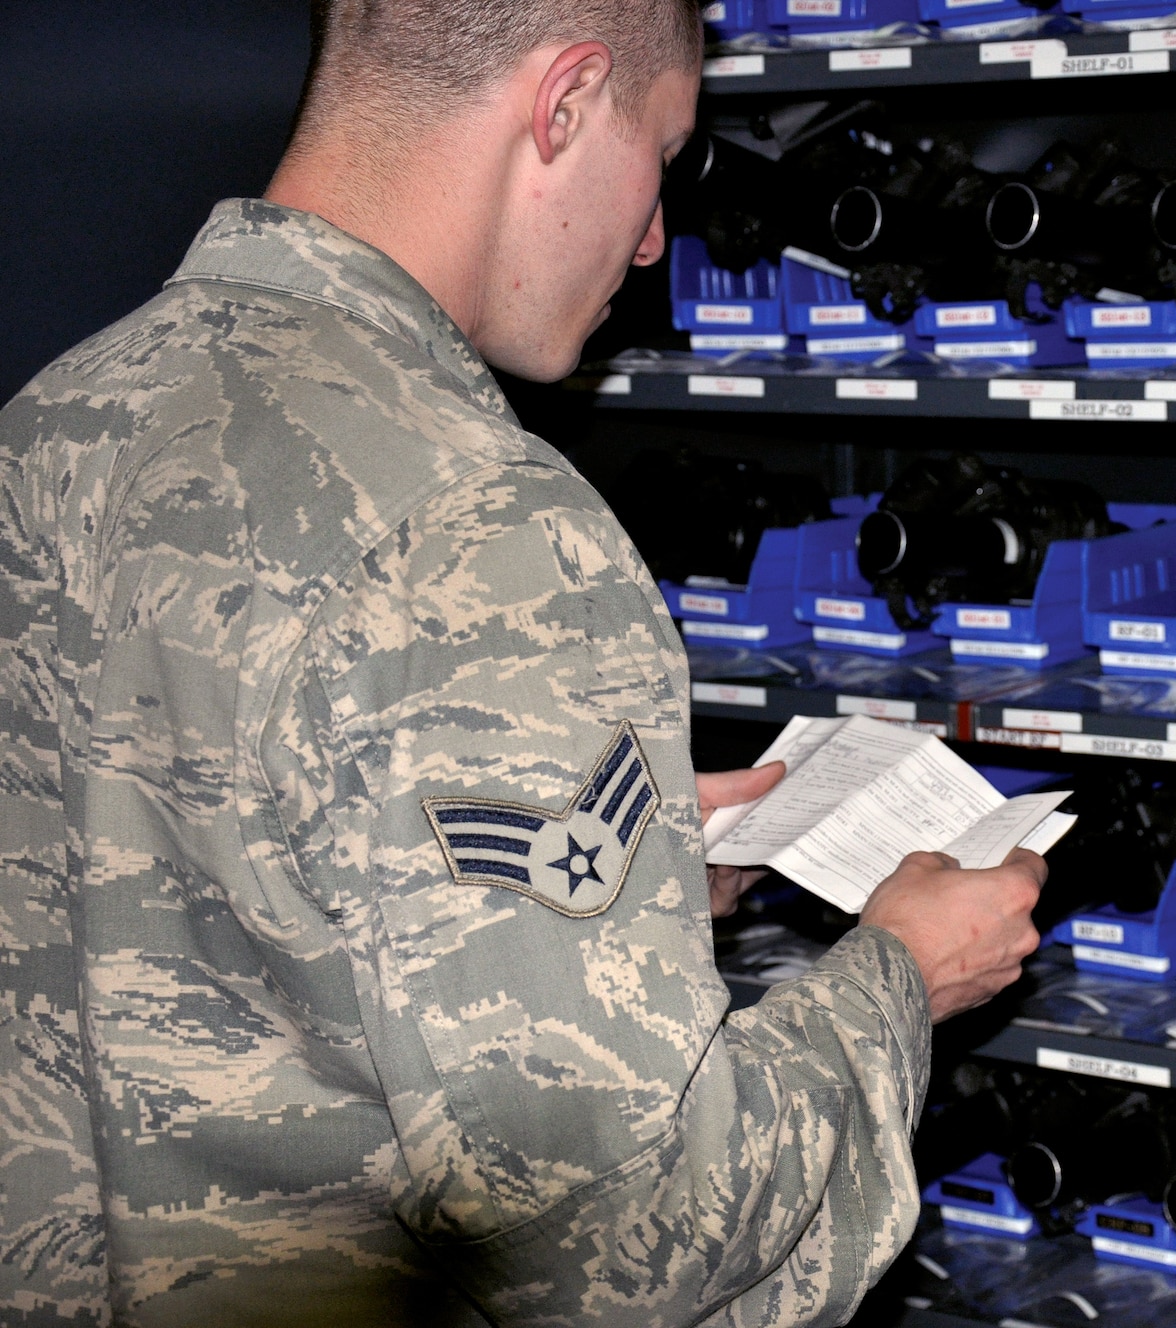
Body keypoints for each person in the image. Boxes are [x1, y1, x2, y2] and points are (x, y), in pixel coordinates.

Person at [0, 1, 1046, 1323]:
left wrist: (623, 875)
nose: (654, 239)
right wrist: (898, 977)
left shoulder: (54, 426)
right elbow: (619, 1247)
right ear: (564, 105)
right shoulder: (481, 531)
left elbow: (195, 891)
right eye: (660, 155)